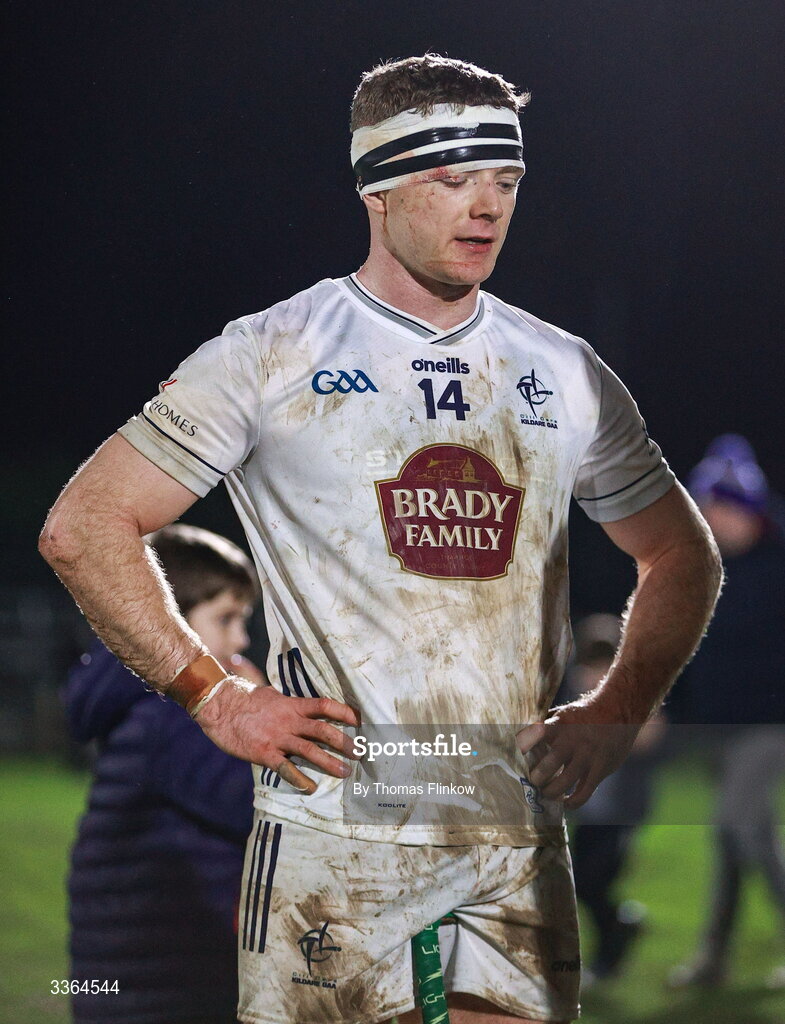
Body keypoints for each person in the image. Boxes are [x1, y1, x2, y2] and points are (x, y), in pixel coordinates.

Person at [40, 54, 723, 1024]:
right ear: (377, 183)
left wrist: (616, 706)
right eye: (453, 179)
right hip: (337, 842)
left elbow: (679, 553)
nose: (484, 206)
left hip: (507, 834)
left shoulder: (561, 369)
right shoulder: (269, 352)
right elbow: (83, 525)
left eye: (504, 181)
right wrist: (216, 694)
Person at [65, 524, 262, 1024]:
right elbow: (248, 804)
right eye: (226, 618)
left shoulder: (144, 704)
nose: (241, 640)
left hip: (136, 971)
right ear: (169, 626)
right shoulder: (173, 713)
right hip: (165, 983)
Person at [667, 435, 785, 991]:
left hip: (769, 726)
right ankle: (714, 962)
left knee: (737, 824)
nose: (716, 519)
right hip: (718, 726)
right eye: (707, 508)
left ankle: (714, 957)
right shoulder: (696, 565)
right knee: (738, 839)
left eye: (726, 508)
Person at [564, 615, 665, 987]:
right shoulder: (571, 696)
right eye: (590, 664)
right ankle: (621, 926)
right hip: (588, 811)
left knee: (592, 881)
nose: (595, 673)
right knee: (581, 883)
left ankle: (612, 949)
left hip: (620, 813)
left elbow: (650, 739)